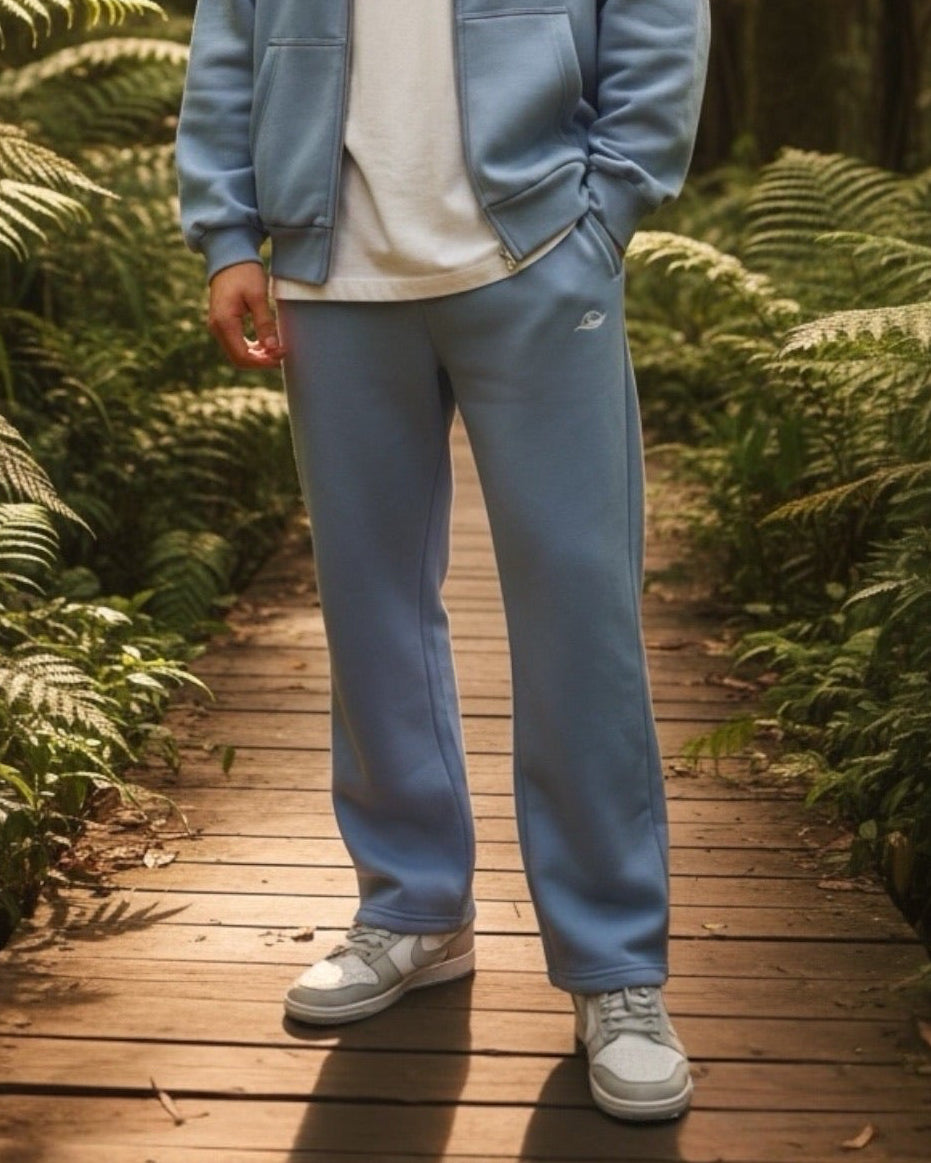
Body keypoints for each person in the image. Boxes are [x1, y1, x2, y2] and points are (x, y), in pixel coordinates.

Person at [177, 0, 710, 1123]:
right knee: (368, 611)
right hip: (329, 273)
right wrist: (228, 233)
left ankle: (613, 967)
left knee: (580, 616)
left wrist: (610, 204)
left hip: (538, 255)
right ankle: (413, 910)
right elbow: (229, 37)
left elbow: (660, 21)